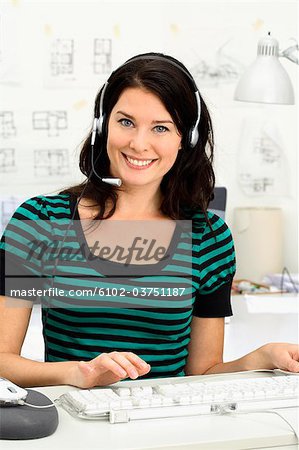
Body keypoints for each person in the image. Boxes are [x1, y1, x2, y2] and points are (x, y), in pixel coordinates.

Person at [0, 53, 298, 389]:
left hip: (166, 428)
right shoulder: (41, 222)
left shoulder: (208, 239)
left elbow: (201, 373)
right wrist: (77, 373)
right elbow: (2, 360)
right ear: (103, 125)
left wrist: (262, 358)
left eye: (160, 128)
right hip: (75, 425)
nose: (139, 144)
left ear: (187, 138)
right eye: (125, 122)